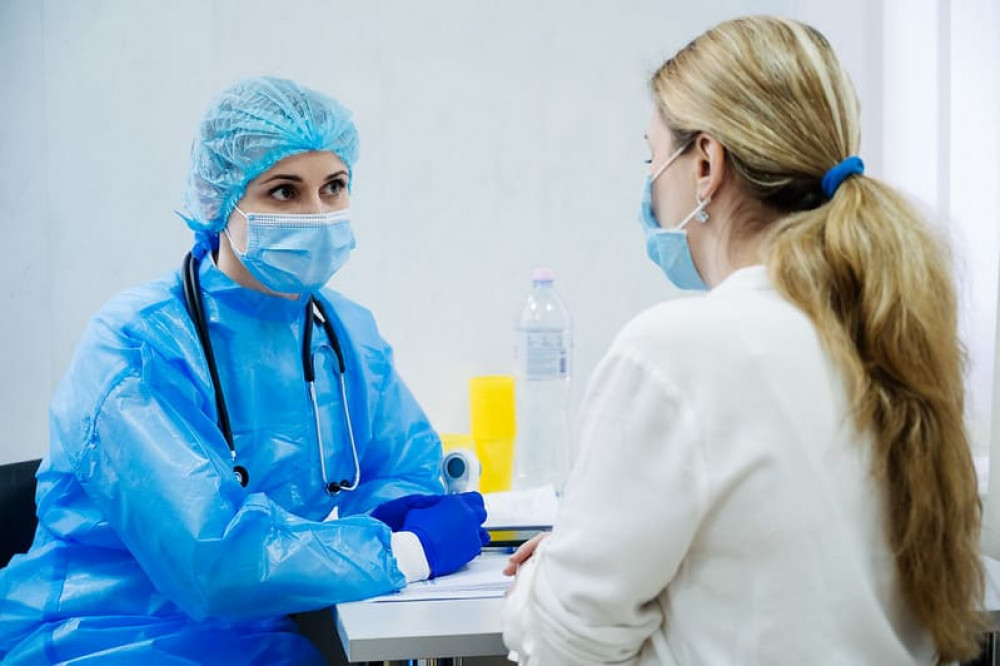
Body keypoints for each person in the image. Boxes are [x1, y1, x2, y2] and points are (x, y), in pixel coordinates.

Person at [502, 16, 985, 665]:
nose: (650, 183)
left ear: (706, 163)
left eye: (652, 158)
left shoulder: (675, 352)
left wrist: (543, 579)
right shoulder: (892, 330)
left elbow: (565, 644)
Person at [0, 76, 489, 664]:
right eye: (284, 192)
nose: (317, 214)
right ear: (220, 199)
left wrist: (387, 517)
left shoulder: (343, 333)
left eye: (334, 187)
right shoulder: (138, 345)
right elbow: (213, 561)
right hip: (106, 634)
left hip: (275, 629)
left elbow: (405, 467)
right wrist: (404, 551)